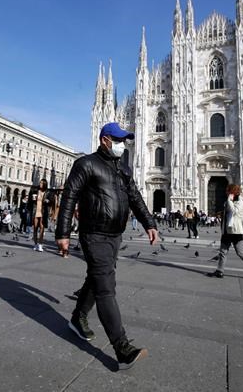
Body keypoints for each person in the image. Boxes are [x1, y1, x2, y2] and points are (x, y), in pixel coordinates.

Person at [55, 122, 157, 370]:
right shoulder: (86, 164)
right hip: (94, 234)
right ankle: (122, 347)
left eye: (125, 140)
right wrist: (63, 233)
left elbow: (135, 197)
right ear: (104, 140)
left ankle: (78, 318)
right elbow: (69, 196)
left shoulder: (122, 169)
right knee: (106, 287)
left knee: (97, 277)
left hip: (115, 235)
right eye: (119, 139)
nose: (123, 144)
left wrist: (149, 223)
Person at [207, 184, 243, 280]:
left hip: (235, 231)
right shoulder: (228, 202)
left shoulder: (240, 202)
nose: (226, 192)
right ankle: (220, 271)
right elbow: (228, 213)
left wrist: (229, 200)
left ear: (232, 192)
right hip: (227, 230)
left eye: (228, 190)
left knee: (240, 252)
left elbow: (234, 211)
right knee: (223, 252)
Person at [28, 179, 53, 253]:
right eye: (40, 182)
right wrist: (32, 199)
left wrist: (48, 201)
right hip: (36, 211)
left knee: (42, 228)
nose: (40, 184)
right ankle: (35, 244)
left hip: (43, 212)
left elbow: (51, 201)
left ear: (45, 184)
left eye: (42, 183)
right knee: (35, 228)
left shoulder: (48, 192)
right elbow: (30, 200)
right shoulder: (35, 191)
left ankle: (40, 245)